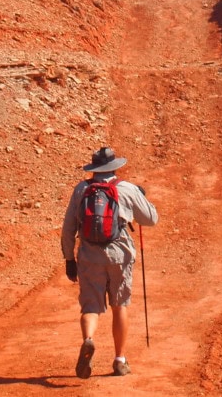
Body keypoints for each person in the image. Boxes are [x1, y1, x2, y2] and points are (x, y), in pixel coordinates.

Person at [61, 146, 157, 378]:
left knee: (90, 307)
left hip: (89, 255)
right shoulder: (126, 188)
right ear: (115, 166)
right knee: (120, 305)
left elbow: (68, 228)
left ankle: (89, 340)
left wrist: (69, 259)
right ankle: (120, 360)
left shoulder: (81, 189)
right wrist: (140, 197)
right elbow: (151, 219)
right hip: (119, 255)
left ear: (94, 168)